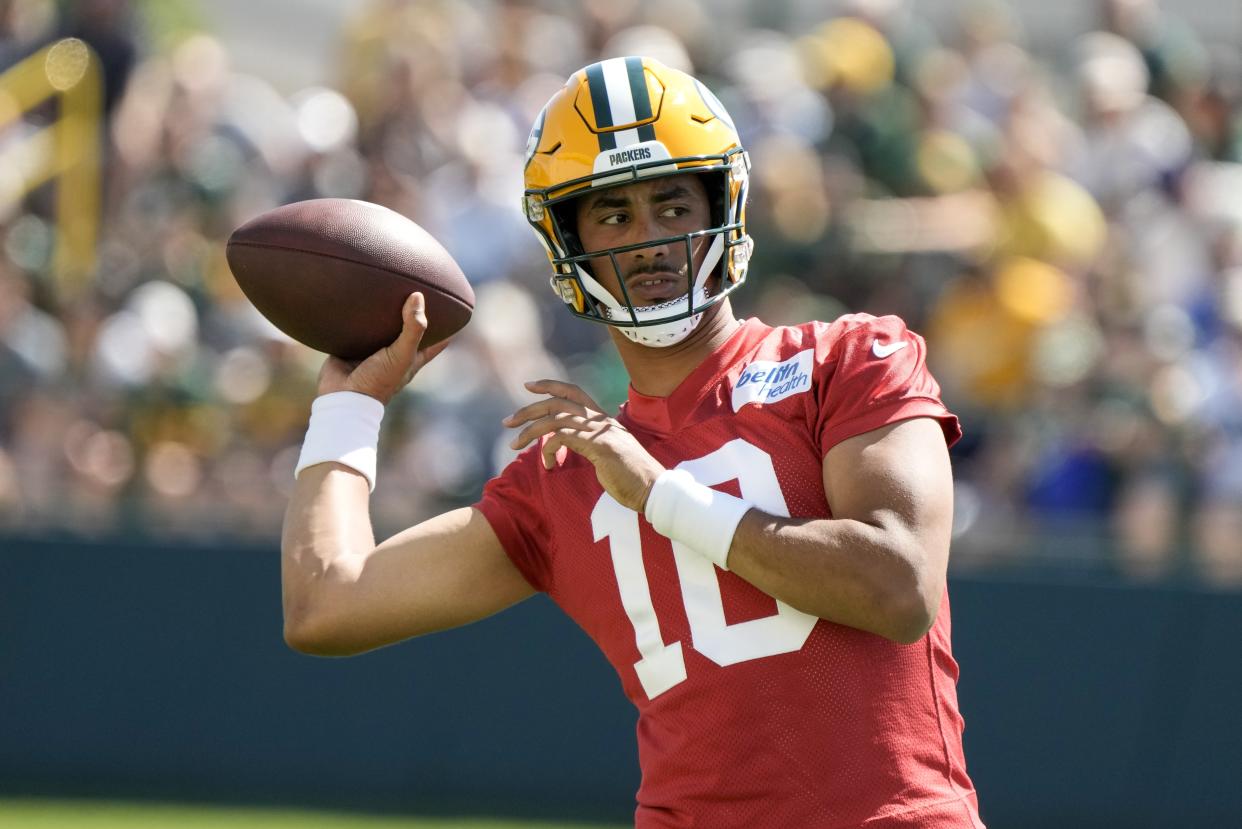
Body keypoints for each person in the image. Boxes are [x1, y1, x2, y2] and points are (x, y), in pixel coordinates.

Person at [282, 57, 985, 828]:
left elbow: (899, 586)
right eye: (613, 215)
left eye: (672, 204)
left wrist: (661, 493)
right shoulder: (567, 472)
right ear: (568, 242)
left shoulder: (848, 358)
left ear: (723, 203)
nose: (647, 240)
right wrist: (349, 411)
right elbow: (327, 604)